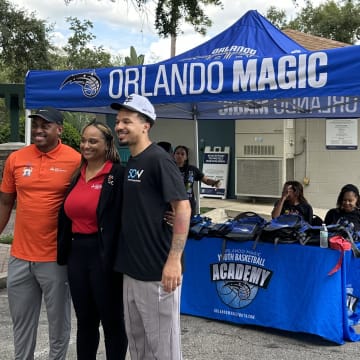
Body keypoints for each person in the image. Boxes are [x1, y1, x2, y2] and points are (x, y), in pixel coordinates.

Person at [111, 93, 191, 360]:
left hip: (158, 273)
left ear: (146, 125)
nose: (119, 126)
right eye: (118, 121)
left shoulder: (158, 159)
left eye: (127, 121)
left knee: (164, 351)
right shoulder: (133, 160)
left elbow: (182, 207)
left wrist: (174, 260)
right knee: (139, 348)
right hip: (132, 271)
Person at [0, 107, 81, 359]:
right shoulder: (16, 158)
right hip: (20, 258)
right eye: (36, 124)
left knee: (59, 324)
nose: (38, 129)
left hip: (55, 257)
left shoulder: (76, 160)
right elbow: (5, 202)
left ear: (59, 129)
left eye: (45, 125)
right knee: (21, 324)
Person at [57, 120, 128, 359]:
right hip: (77, 253)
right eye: (83, 140)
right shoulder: (78, 173)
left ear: (107, 144)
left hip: (103, 254)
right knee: (85, 321)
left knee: (112, 322)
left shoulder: (118, 174)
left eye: (93, 141)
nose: (85, 145)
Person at [173, 145, 221, 216]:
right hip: (174, 204)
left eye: (182, 154)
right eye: (177, 153)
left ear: (186, 157)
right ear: (173, 155)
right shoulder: (169, 169)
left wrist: (214, 182)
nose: (180, 155)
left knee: (191, 225)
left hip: (189, 204)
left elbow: (206, 180)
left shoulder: (192, 169)